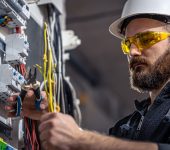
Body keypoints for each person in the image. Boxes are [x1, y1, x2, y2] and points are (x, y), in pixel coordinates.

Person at [5, 0, 170, 149]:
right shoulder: (128, 126)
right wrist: (47, 120)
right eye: (128, 44)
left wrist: (81, 139)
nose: (133, 51)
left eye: (147, 39)